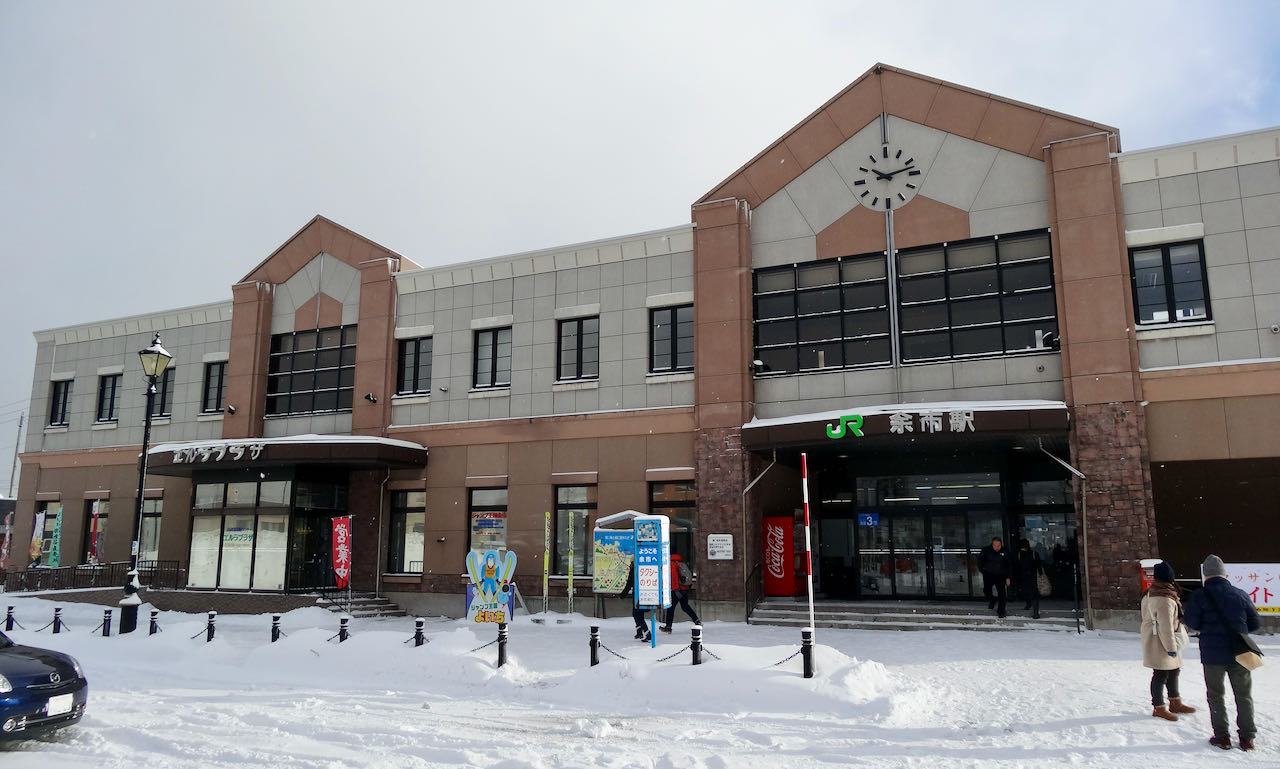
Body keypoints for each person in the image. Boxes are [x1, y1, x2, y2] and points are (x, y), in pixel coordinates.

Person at [1185, 554, 1261, 751]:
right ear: (1224, 574)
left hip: (1212, 656)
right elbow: (1255, 623)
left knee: (1216, 694)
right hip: (1240, 653)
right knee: (1243, 695)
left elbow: (1192, 623)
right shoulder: (1240, 594)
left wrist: (1208, 627)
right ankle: (1247, 738)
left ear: (1205, 576)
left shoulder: (1199, 596)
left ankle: (1222, 737)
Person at [1141, 560, 1196, 721]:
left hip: (1157, 637)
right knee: (1160, 672)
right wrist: (1171, 647)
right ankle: (1159, 707)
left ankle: (1175, 701)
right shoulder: (1164, 598)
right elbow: (1166, 627)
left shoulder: (1151, 593)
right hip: (1161, 639)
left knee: (1173, 669)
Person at [660, 553, 700, 632]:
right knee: (685, 607)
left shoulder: (672, 564)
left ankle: (668, 627)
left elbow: (674, 578)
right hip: (684, 589)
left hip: (677, 590)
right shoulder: (680, 563)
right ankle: (697, 620)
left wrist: (675, 589)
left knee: (670, 608)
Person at [977, 537, 1010, 618]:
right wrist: (983, 570)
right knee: (987, 590)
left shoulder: (1005, 551)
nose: (997, 547)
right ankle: (992, 600)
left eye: (998, 545)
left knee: (1002, 594)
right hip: (989, 574)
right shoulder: (986, 550)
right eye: (995, 545)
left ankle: (1001, 611)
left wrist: (1008, 577)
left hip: (1000, 575)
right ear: (992, 544)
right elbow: (980, 561)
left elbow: (1008, 565)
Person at [1012, 539, 1043, 619]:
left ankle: (1030, 606)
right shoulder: (1033, 554)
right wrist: (1040, 574)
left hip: (1025, 577)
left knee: (1028, 593)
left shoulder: (1019, 554)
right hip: (1031, 577)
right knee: (1033, 594)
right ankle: (1035, 612)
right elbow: (1038, 565)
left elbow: (1016, 567)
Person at [618, 567, 650, 642]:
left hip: (637, 595)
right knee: (638, 614)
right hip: (645, 593)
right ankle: (640, 632)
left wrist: (622, 595)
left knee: (637, 615)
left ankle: (647, 633)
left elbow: (629, 583)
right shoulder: (643, 567)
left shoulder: (634, 569)